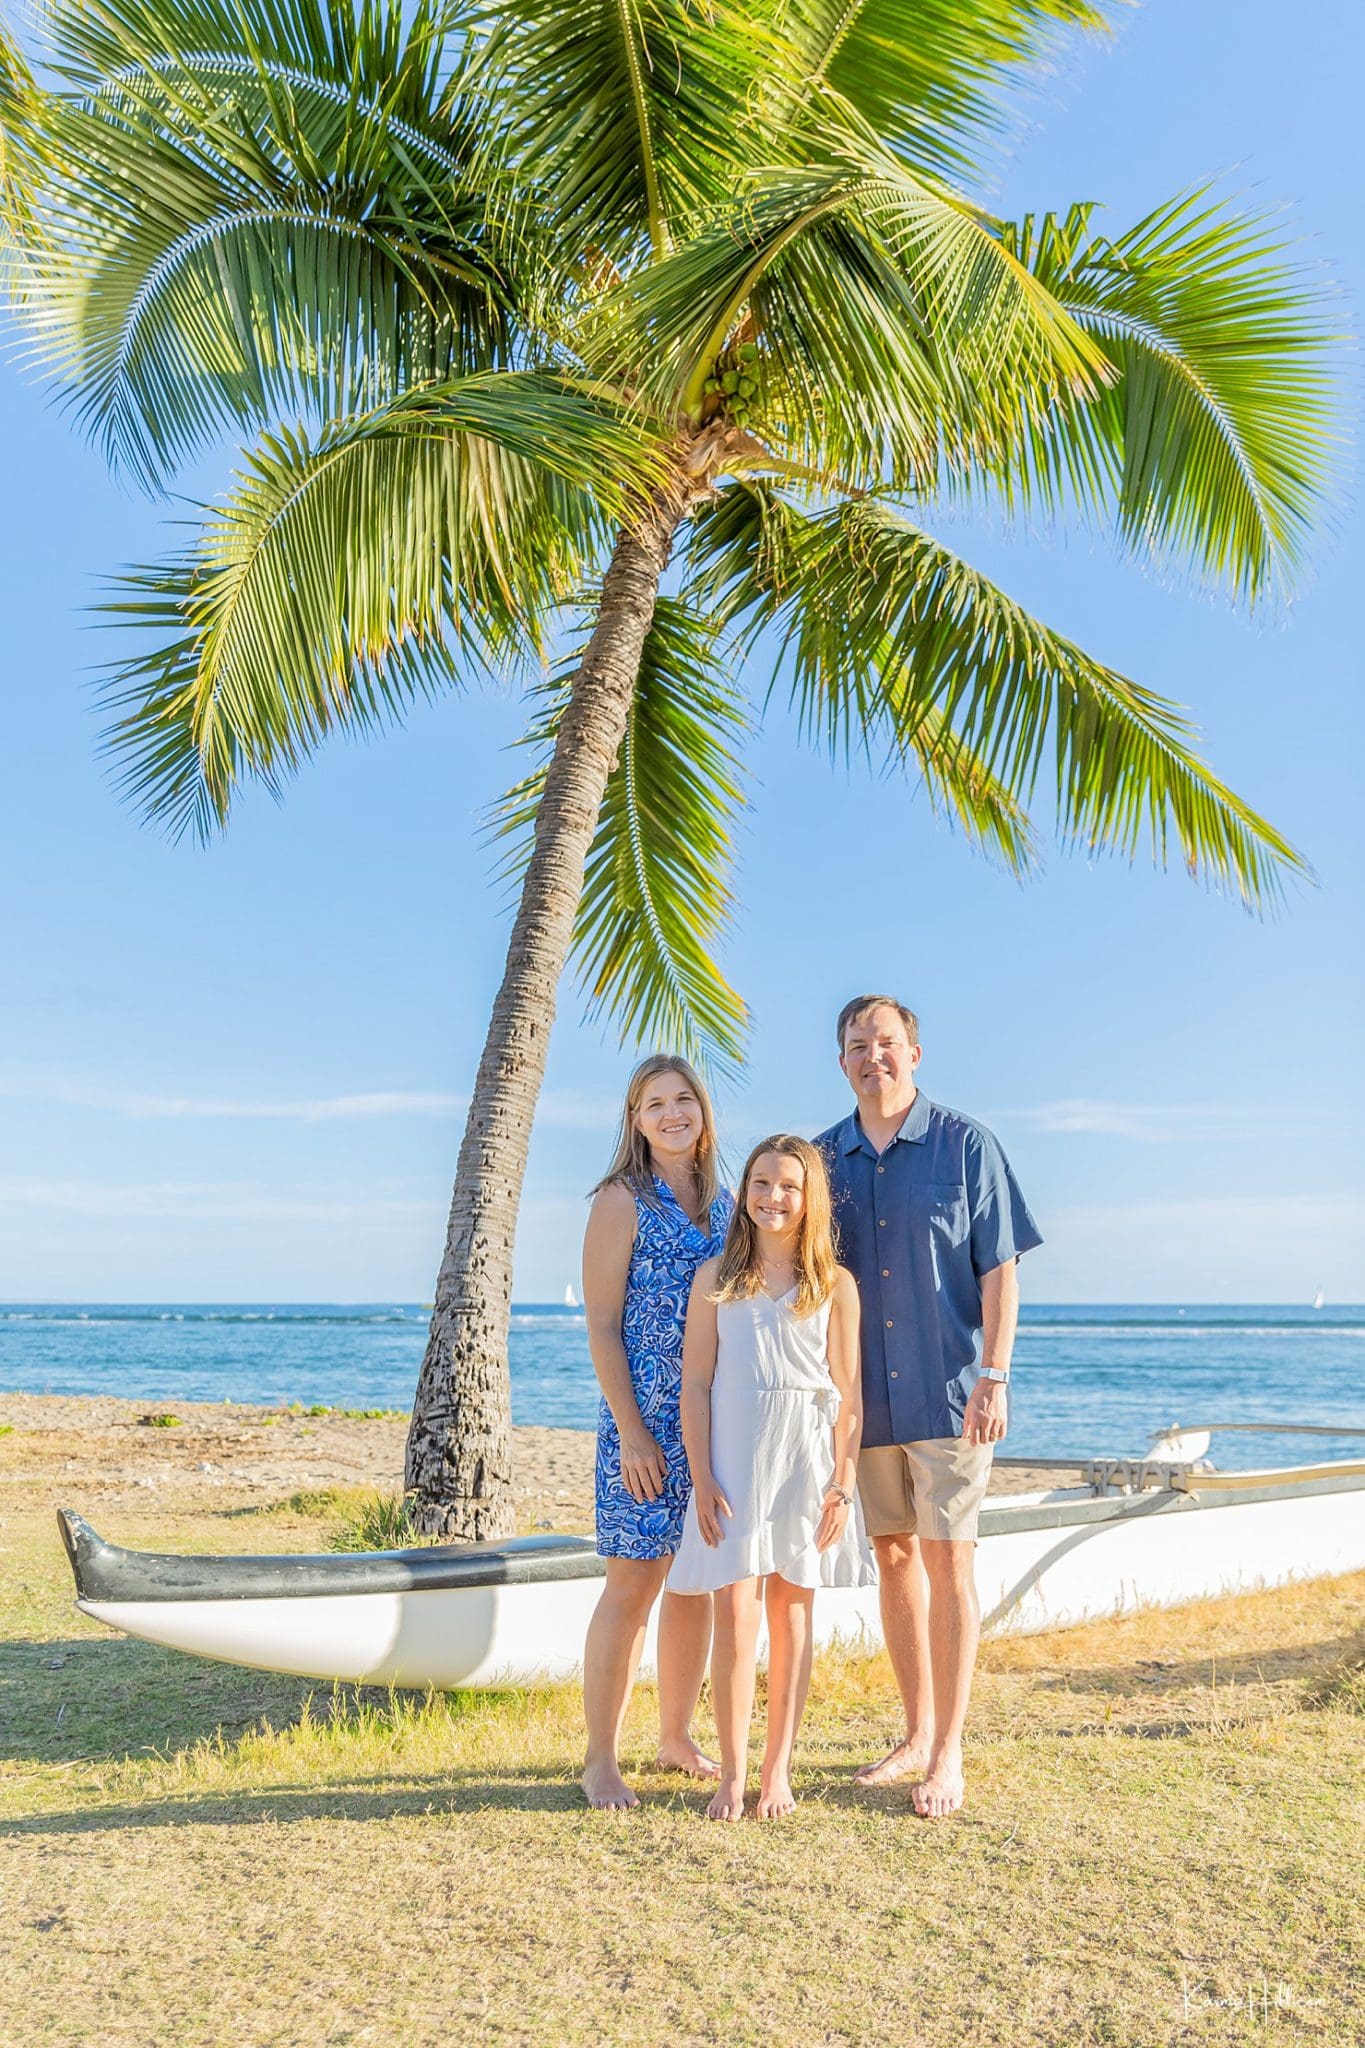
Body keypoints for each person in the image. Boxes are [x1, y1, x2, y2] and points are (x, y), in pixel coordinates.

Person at [816, 996, 1042, 1819]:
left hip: (950, 1389)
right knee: (895, 1558)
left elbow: (1000, 1271)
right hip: (859, 1401)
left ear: (913, 1051)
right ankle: (913, 1733)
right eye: (856, 1045)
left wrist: (997, 1372)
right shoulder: (819, 1159)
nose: (871, 1055)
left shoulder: (964, 1143)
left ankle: (948, 1750)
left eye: (885, 1041)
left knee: (950, 1561)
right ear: (841, 1061)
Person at [670, 1135, 873, 1822]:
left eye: (788, 1185)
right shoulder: (716, 1278)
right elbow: (694, 1384)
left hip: (808, 1465)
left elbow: (848, 1392)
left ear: (809, 1196)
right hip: (734, 1462)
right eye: (760, 1182)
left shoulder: (834, 1286)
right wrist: (701, 1476)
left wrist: (842, 1481)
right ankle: (731, 1773)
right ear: (744, 1190)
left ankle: (776, 1769)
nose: (772, 1196)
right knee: (735, 1613)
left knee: (792, 1613)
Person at [579, 1054, 735, 1810]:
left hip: (714, 1424)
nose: (671, 1113)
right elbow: (602, 1328)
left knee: (695, 1584)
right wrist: (633, 1434)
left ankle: (675, 1737)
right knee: (632, 1583)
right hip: (641, 1424)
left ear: (702, 1111)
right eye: (653, 1104)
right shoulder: (620, 1199)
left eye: (682, 1099)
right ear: (635, 1122)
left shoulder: (732, 1203)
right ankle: (600, 1759)